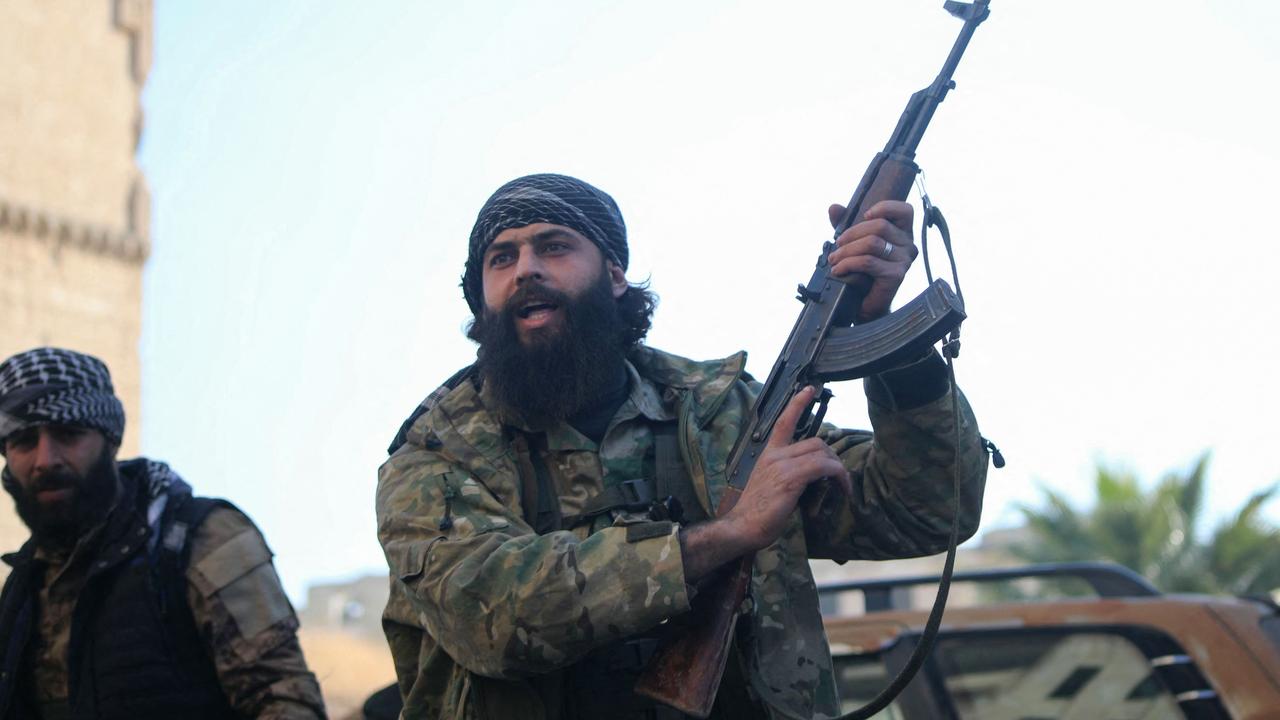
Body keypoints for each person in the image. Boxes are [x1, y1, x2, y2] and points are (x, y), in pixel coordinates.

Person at [377, 173, 989, 719]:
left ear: (615, 275)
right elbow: (491, 618)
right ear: (481, 297)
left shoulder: (725, 413)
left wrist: (895, 344)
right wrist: (725, 535)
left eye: (554, 246)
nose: (526, 269)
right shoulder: (436, 453)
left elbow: (927, 510)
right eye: (501, 258)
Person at [0, 347, 327, 719]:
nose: (45, 459)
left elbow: (283, 699)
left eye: (68, 434)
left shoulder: (200, 539)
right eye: (25, 442)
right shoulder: (23, 589)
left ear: (110, 440)